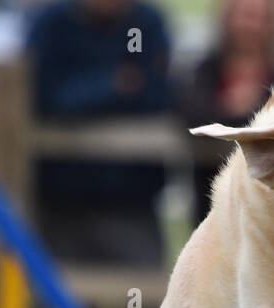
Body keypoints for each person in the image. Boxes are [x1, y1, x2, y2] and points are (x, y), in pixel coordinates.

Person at [27, 0, 172, 270]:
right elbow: (45, 100)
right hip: (62, 205)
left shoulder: (148, 24)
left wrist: (83, 94)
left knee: (145, 303)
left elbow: (157, 95)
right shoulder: (51, 25)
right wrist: (114, 85)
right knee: (60, 306)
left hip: (132, 203)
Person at [178, 0, 274, 222]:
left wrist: (248, 106)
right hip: (213, 200)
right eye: (242, 15)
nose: (248, 25)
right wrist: (249, 110)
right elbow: (192, 117)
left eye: (257, 17)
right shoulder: (207, 70)